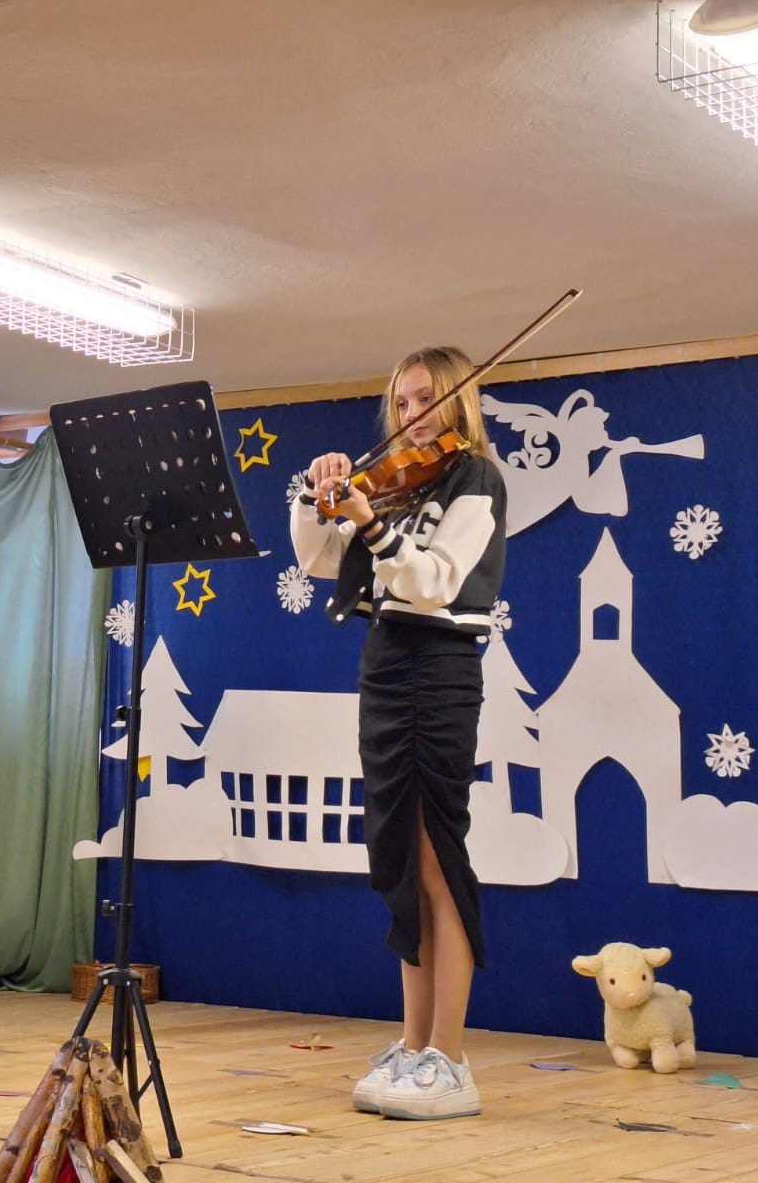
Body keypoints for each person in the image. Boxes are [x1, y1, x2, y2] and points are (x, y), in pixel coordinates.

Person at [289, 346, 507, 1122]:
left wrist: (373, 525)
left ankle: (450, 1058)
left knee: (437, 857)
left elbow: (436, 581)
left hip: (437, 668)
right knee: (400, 866)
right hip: (383, 668)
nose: (412, 415)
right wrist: (317, 496)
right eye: (402, 402)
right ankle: (415, 1048)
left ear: (457, 402)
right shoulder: (397, 480)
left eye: (425, 398)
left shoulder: (475, 478)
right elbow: (319, 559)